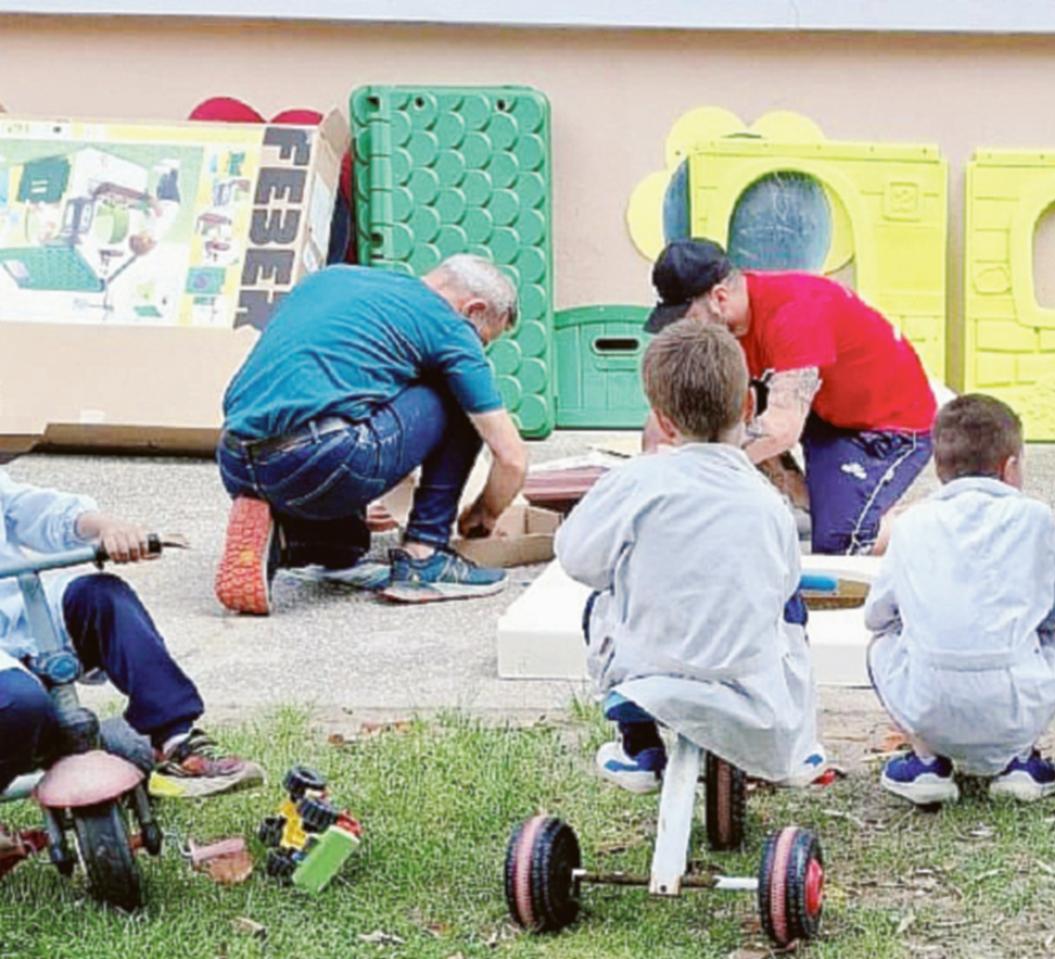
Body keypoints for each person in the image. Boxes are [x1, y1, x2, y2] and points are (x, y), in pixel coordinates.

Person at [554, 321, 824, 791]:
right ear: (748, 405)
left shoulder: (633, 483)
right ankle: (798, 741)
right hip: (744, 681)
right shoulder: (767, 502)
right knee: (790, 605)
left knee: (600, 599)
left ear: (662, 422)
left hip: (646, 671)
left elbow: (577, 560)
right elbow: (782, 582)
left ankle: (639, 745)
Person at [215, 256, 528, 614]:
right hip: (318, 462)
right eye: (483, 339)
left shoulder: (333, 279)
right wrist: (483, 515)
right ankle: (424, 555)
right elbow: (512, 459)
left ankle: (290, 539)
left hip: (236, 460)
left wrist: (385, 484)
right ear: (474, 309)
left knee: (348, 548)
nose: (477, 349)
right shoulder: (448, 326)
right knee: (458, 395)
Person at [643, 238, 936, 556]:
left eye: (687, 318)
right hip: (825, 409)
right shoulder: (724, 323)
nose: (683, 331)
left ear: (720, 298)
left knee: (843, 543)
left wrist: (698, 467)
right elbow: (670, 414)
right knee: (721, 414)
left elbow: (781, 429)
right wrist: (652, 477)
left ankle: (936, 523)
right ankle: (820, 504)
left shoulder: (795, 314)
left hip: (888, 426)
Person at [0, 470, 263, 807]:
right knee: (21, 705)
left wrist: (107, 528)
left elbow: (34, 510)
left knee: (102, 598)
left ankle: (175, 742)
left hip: (20, 612)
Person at [865, 394, 1055, 806]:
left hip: (927, 703)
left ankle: (926, 761)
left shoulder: (912, 523)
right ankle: (1020, 759)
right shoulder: (1036, 518)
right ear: (1010, 468)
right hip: (1014, 704)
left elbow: (878, 616)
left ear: (938, 467)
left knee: (881, 644)